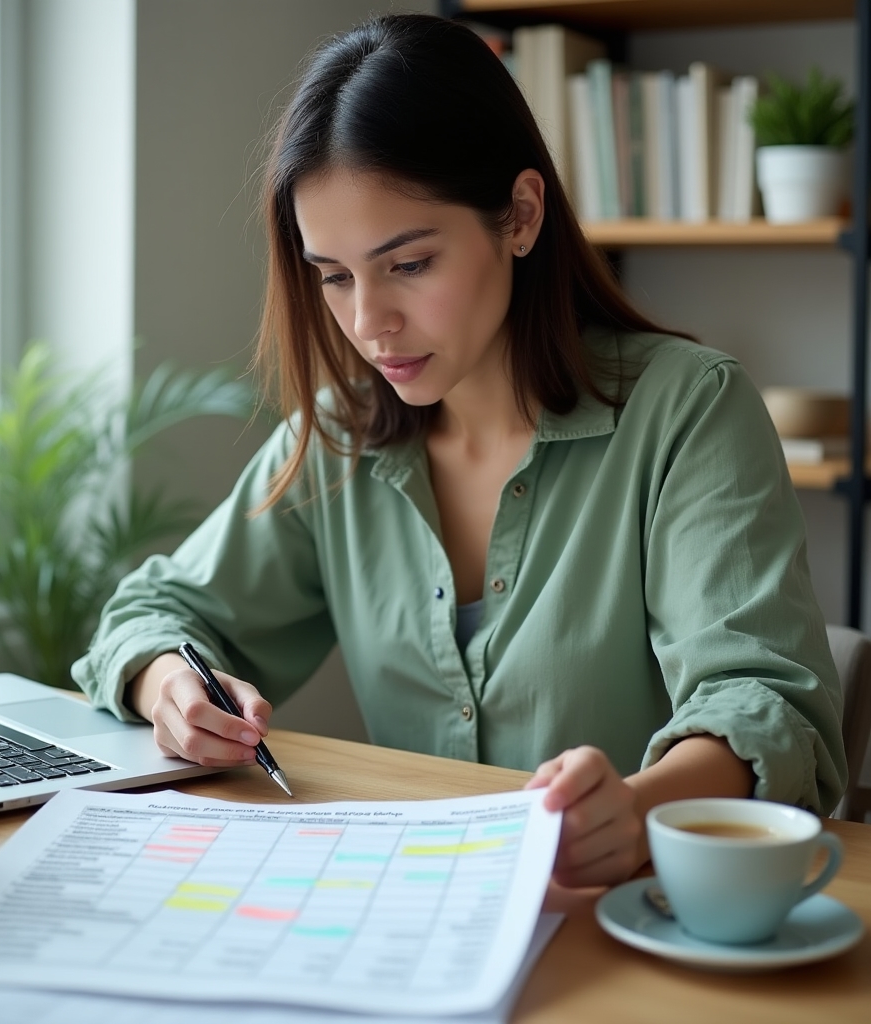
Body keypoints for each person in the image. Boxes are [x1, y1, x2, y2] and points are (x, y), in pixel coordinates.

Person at [72, 13, 846, 889]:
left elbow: (767, 702)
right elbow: (152, 612)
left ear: (520, 216)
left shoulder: (687, 409)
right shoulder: (337, 440)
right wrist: (169, 687)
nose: (369, 322)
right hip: (417, 907)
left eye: (408, 264)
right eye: (334, 276)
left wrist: (637, 810)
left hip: (629, 914)